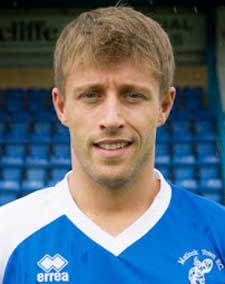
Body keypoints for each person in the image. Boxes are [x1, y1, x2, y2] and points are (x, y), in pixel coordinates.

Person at [0, 6, 225, 284]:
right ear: (61, 106)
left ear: (164, 106)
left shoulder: (218, 232)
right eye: (91, 95)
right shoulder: (7, 235)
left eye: (132, 95)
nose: (111, 119)